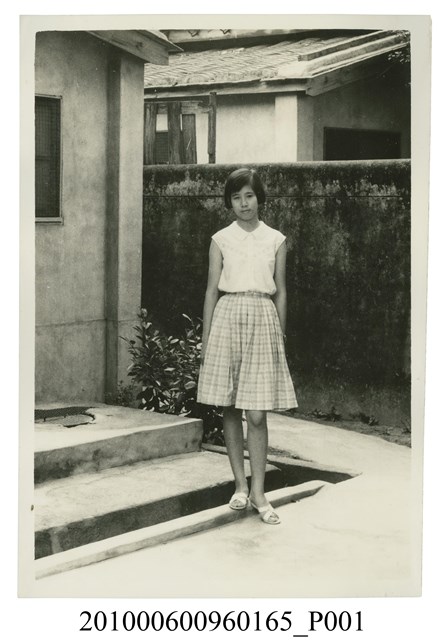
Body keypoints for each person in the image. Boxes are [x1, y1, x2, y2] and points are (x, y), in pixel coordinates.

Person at [197, 167, 297, 525]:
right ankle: (240, 486)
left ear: (259, 198)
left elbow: (280, 291)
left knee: (256, 413)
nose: (244, 203)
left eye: (249, 196)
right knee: (229, 405)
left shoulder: (276, 239)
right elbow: (211, 291)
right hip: (227, 316)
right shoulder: (220, 239)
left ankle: (259, 492)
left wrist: (279, 336)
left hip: (263, 318)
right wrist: (206, 341)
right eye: (236, 197)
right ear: (230, 202)